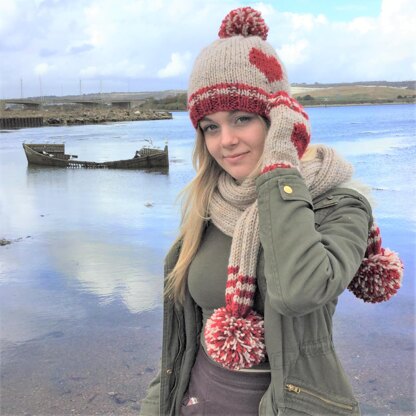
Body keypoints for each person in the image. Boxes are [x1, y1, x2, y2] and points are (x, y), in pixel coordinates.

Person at [140, 7, 403, 416]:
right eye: (210, 126)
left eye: (242, 118)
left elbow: (298, 291)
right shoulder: (209, 205)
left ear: (279, 119)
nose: (225, 140)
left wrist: (280, 166)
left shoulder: (340, 207)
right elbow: (179, 343)